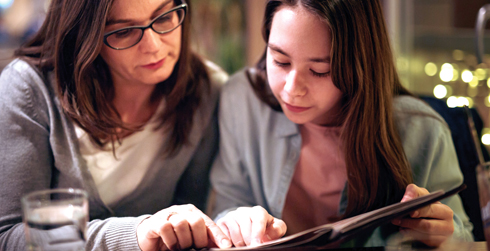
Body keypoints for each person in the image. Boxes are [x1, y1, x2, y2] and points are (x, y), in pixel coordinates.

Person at [211, 0, 474, 248]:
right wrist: (236, 220)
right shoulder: (241, 100)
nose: (292, 89)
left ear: (359, 63)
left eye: (319, 71)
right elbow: (227, 203)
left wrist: (443, 236)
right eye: (280, 61)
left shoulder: (422, 131)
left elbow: (464, 237)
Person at [0, 0, 232, 250]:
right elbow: (8, 236)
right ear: (85, 35)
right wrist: (136, 234)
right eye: (123, 31)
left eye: (164, 17)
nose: (153, 46)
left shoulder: (206, 89)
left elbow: (190, 225)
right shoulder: (28, 89)